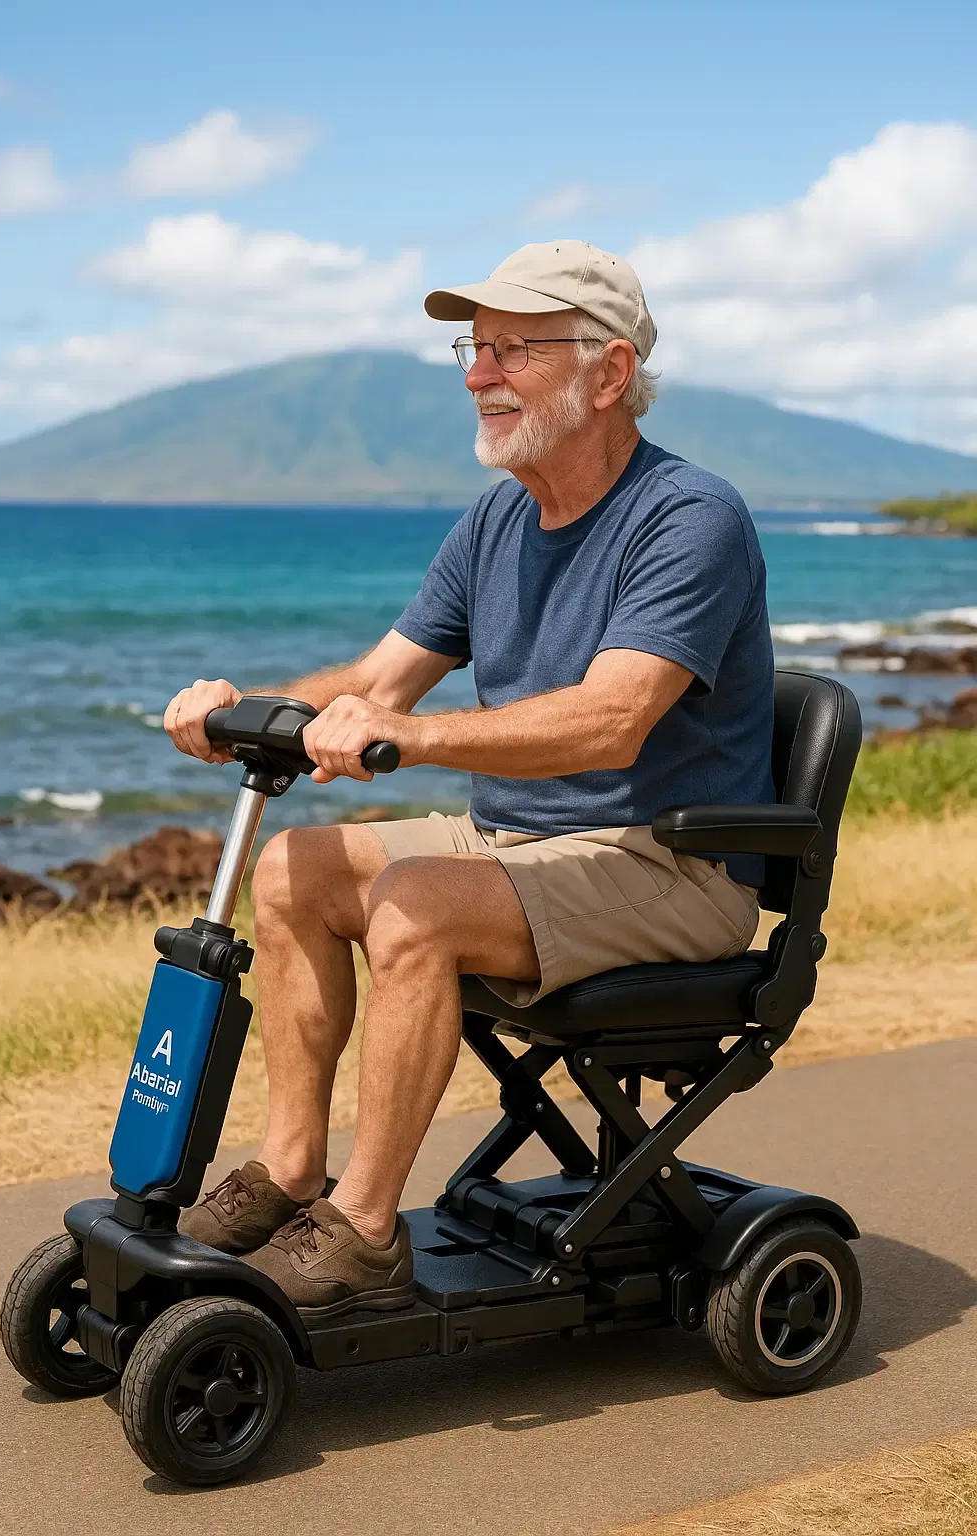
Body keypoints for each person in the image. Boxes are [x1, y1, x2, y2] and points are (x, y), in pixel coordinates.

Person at [164, 240, 774, 1318]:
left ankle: (362, 1232)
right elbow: (378, 676)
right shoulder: (499, 515)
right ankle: (294, 1168)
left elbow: (612, 719)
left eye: (511, 351)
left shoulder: (689, 517)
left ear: (608, 372)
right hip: (521, 848)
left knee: (415, 910)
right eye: (473, 347)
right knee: (293, 870)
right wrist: (244, 710)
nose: (476, 375)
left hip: (667, 864)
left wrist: (420, 739)